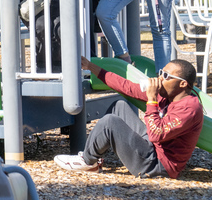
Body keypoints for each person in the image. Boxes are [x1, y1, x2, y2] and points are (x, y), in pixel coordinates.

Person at [55, 57, 203, 179]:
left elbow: (156, 134)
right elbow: (126, 87)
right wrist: (90, 66)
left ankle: (87, 161)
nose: (159, 79)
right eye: (160, 72)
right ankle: (94, 158)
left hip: (158, 166)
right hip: (153, 149)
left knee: (110, 122)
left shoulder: (189, 108)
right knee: (118, 106)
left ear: (183, 84)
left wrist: (151, 100)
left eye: (165, 76)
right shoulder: (168, 95)